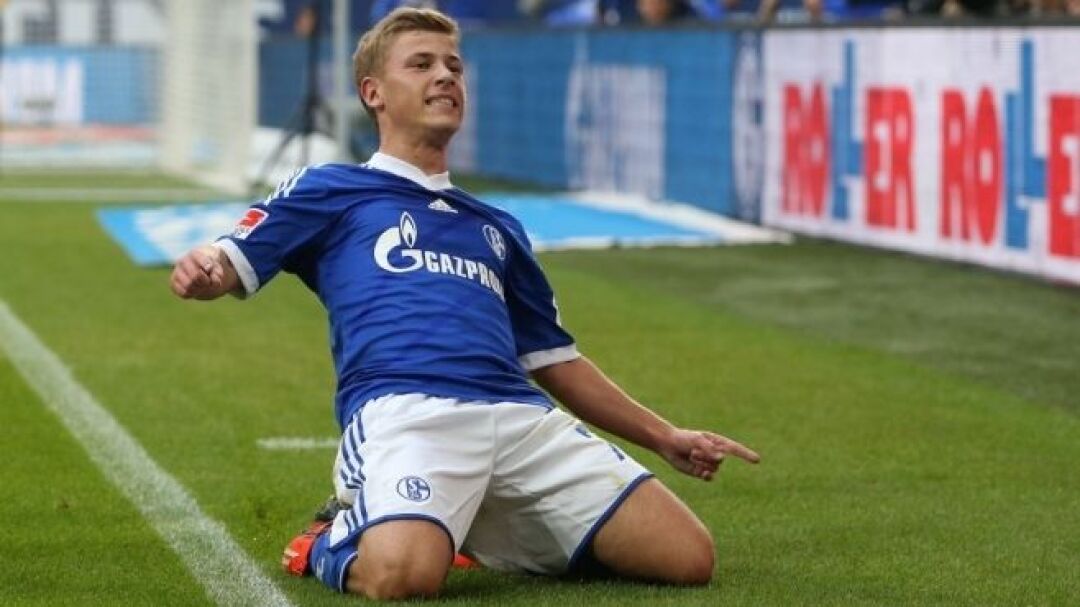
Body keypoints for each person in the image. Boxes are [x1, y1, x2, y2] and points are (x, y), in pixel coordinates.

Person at [170, 7, 759, 601]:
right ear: (373, 92)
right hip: (408, 412)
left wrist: (665, 436)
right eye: (421, 64)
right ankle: (330, 538)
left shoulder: (497, 226)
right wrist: (208, 265)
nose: (445, 76)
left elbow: (556, 360)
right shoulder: (331, 188)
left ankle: (463, 523)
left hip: (519, 416)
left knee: (687, 557)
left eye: (454, 65)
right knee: (403, 577)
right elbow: (232, 258)